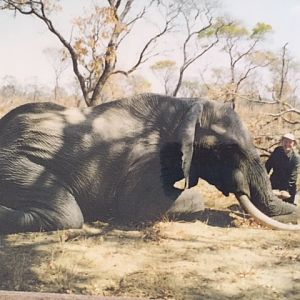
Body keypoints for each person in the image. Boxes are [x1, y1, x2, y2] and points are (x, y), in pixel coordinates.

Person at [265, 133, 300, 204]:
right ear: (282, 142)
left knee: (289, 208)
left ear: (293, 144)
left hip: (288, 186)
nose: (287, 144)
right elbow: (268, 165)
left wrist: (286, 191)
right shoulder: (277, 150)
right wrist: (263, 180)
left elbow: (292, 177)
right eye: (285, 141)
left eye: (290, 142)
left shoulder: (296, 158)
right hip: (274, 182)